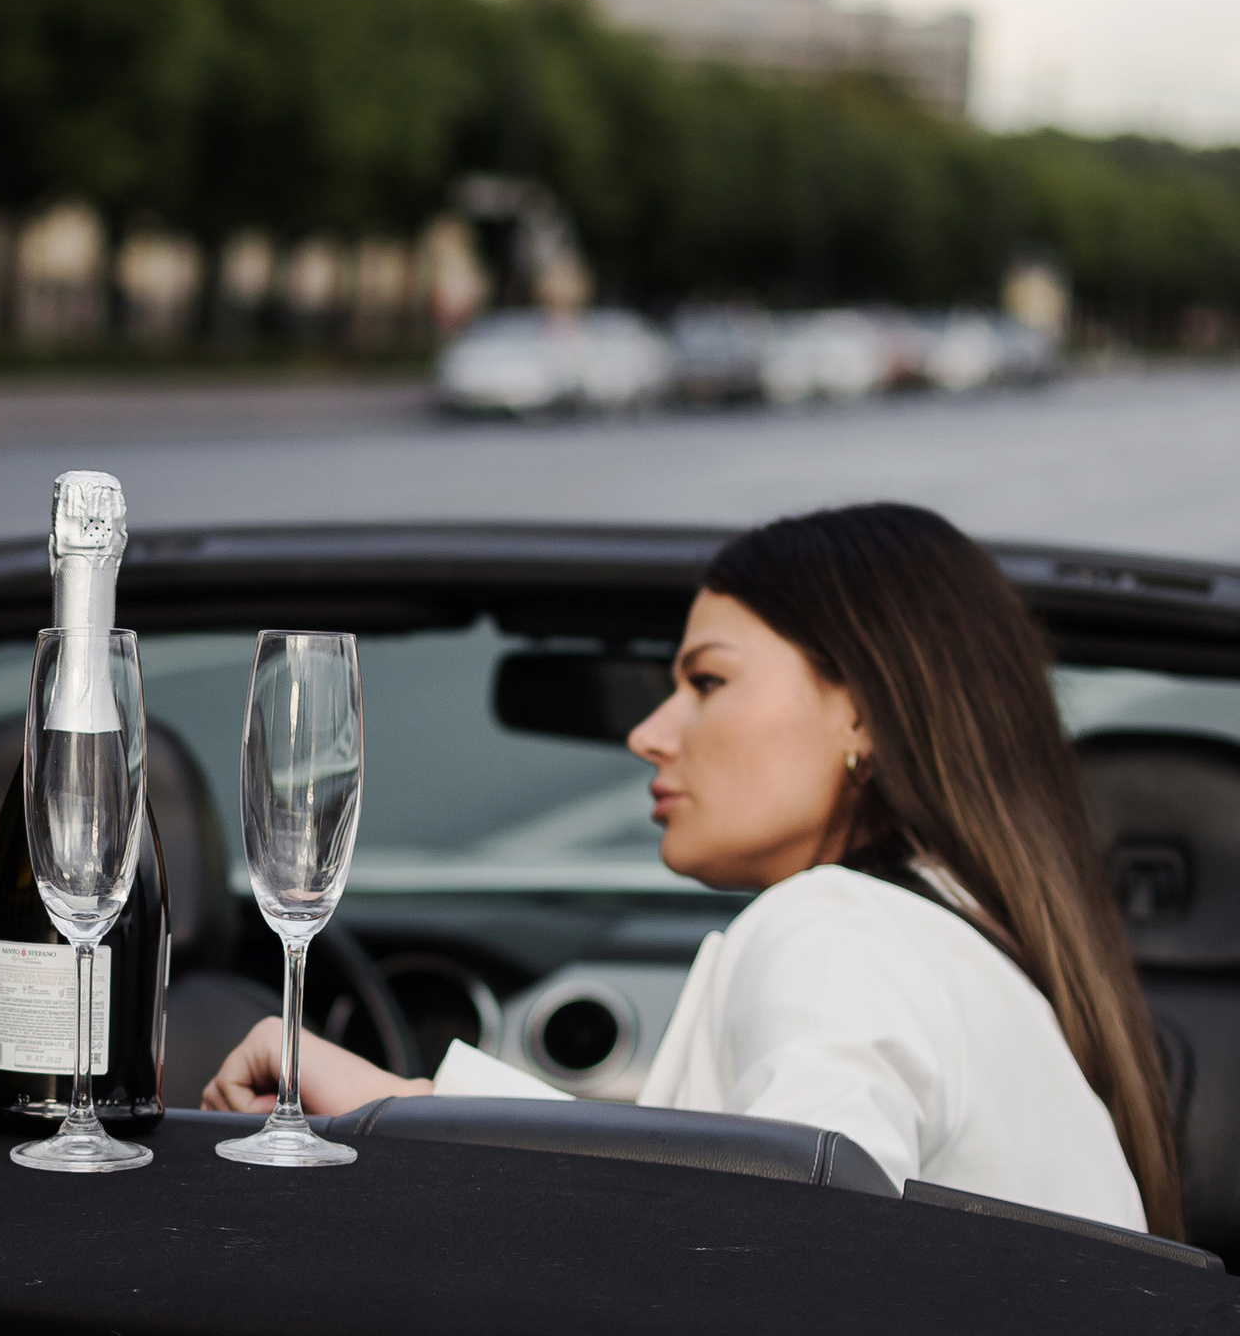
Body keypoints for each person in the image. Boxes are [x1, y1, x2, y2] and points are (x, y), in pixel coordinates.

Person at [204, 502, 1179, 1234]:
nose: (647, 732)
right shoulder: (959, 947)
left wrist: (401, 1123)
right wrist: (404, 1106)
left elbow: (768, 1249)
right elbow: (732, 1193)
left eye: (706, 681)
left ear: (863, 715)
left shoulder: (836, 929)